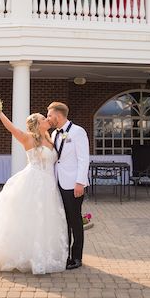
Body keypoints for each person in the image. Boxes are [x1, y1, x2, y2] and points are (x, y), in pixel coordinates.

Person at [0, 108, 68, 275]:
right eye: (44, 119)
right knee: (29, 220)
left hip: (49, 186)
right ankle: (25, 256)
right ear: (37, 124)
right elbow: (11, 128)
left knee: (46, 221)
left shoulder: (51, 139)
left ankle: (43, 255)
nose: (47, 120)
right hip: (33, 183)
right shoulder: (28, 138)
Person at [46, 102, 89, 270]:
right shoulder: (55, 133)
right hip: (58, 182)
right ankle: (65, 256)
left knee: (75, 220)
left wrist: (80, 182)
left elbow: (84, 158)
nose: (48, 118)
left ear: (58, 115)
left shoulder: (78, 132)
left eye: (49, 115)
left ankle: (77, 257)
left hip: (73, 184)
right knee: (63, 221)